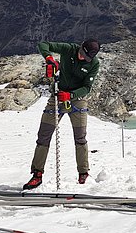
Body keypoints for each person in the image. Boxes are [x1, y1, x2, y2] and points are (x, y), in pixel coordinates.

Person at [23, 38, 100, 190]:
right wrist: (49, 58)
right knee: (43, 135)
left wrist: (71, 96)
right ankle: (37, 174)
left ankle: (83, 173)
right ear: (81, 48)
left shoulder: (94, 64)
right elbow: (43, 44)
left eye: (87, 58)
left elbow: (87, 87)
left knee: (80, 137)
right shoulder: (69, 49)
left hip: (77, 100)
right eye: (83, 55)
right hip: (57, 97)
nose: (83, 59)